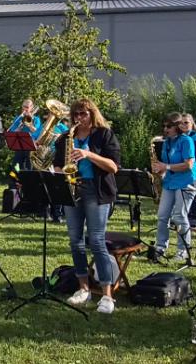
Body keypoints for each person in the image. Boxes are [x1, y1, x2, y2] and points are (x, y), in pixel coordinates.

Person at [58, 98, 124, 315]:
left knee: (96, 241)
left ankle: (107, 295)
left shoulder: (104, 135)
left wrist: (88, 154)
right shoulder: (66, 137)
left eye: (83, 114)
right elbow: (58, 165)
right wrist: (59, 172)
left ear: (92, 114)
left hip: (97, 191)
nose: (79, 118)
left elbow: (113, 166)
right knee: (75, 241)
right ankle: (83, 288)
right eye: (76, 114)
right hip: (72, 190)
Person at [150, 114, 196, 262]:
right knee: (162, 216)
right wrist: (160, 170)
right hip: (169, 182)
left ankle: (183, 250)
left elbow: (188, 164)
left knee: (180, 216)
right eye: (164, 126)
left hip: (186, 182)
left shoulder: (186, 140)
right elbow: (166, 164)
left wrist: (167, 167)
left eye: (169, 126)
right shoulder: (167, 142)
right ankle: (160, 247)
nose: (165, 129)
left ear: (177, 126)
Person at [9, 98, 42, 170]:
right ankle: (16, 176)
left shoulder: (36, 119)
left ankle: (28, 176)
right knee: (16, 168)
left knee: (29, 168)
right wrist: (18, 129)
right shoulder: (18, 118)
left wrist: (29, 124)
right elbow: (12, 132)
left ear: (31, 108)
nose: (25, 109)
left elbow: (37, 132)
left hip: (31, 147)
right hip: (19, 146)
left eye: (27, 107)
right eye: (23, 106)